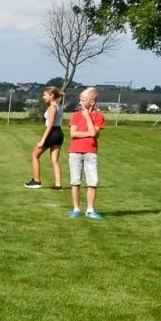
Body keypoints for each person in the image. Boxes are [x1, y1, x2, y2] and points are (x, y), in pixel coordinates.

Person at [66, 86, 106, 220]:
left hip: (91, 152)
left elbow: (94, 132)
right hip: (75, 152)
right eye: (80, 100)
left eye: (83, 100)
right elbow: (73, 133)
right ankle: (76, 208)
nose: (80, 103)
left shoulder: (99, 116)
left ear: (92, 102)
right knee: (75, 181)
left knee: (92, 182)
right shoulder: (76, 115)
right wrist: (89, 134)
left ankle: (90, 210)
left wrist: (88, 117)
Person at [26, 85, 64, 189]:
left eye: (45, 95)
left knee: (35, 155)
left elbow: (50, 124)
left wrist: (42, 140)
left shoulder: (52, 107)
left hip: (52, 132)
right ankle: (58, 184)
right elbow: (59, 96)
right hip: (59, 133)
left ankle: (36, 181)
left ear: (51, 96)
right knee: (55, 160)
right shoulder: (59, 105)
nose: (43, 97)